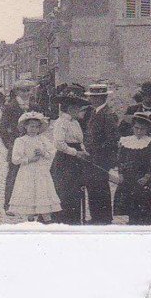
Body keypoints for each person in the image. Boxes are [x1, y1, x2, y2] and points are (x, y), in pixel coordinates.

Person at [114, 111, 151, 224]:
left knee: (146, 208)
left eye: (142, 129)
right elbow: (121, 159)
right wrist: (121, 173)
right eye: (136, 128)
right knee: (131, 208)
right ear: (133, 127)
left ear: (147, 129)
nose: (139, 131)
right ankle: (132, 223)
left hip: (144, 180)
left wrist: (147, 176)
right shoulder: (126, 141)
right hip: (128, 179)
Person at [8, 111, 60, 222]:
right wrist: (30, 159)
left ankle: (47, 220)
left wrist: (43, 153)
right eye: (31, 126)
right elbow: (15, 159)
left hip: (41, 172)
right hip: (27, 172)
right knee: (29, 196)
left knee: (42, 193)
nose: (34, 129)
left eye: (37, 127)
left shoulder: (42, 139)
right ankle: (30, 220)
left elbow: (52, 152)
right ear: (25, 127)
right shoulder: (21, 141)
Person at [0, 79, 40, 213]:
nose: (26, 93)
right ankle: (9, 204)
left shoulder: (35, 106)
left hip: (32, 145)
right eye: (23, 90)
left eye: (28, 90)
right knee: (13, 174)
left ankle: (30, 204)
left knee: (32, 174)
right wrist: (10, 145)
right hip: (16, 145)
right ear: (17, 91)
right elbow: (3, 129)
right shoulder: (10, 107)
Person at [50, 83, 90, 224]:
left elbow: (79, 140)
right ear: (70, 108)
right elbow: (58, 143)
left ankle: (74, 220)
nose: (80, 110)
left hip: (76, 161)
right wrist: (75, 153)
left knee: (75, 192)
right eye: (77, 107)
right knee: (65, 192)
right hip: (65, 160)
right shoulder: (61, 122)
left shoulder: (75, 122)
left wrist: (83, 151)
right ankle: (61, 222)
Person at [81, 82, 120, 224]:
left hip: (101, 158)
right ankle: (97, 216)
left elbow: (112, 139)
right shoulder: (93, 112)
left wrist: (95, 152)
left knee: (100, 187)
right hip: (92, 158)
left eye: (94, 97)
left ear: (102, 98)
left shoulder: (108, 115)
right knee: (93, 187)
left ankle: (103, 218)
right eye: (91, 97)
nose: (91, 99)